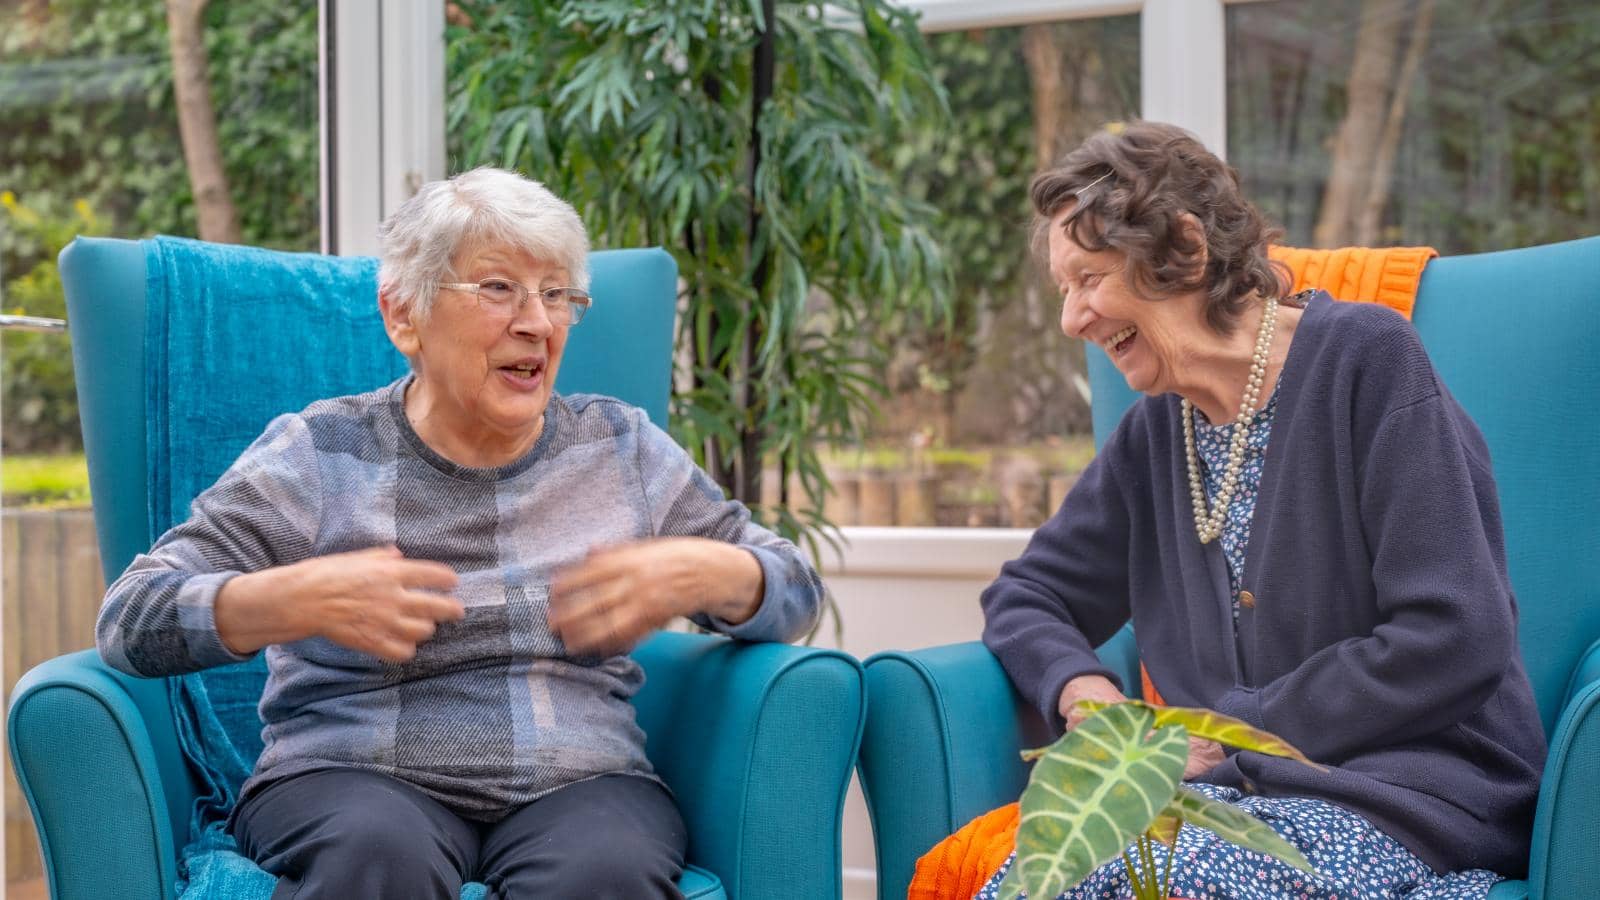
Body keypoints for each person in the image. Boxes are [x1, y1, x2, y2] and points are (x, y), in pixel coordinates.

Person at [95, 167, 825, 900]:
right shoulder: (320, 452)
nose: (536, 322)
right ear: (403, 315)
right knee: (378, 851)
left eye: (556, 294)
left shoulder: (620, 448)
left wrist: (706, 572)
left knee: (605, 871)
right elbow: (130, 620)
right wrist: (287, 598)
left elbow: (796, 591)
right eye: (499, 288)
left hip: (578, 780)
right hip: (352, 776)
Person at [977, 122, 1545, 899]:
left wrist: (1225, 727)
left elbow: (1456, 634)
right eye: (1063, 290)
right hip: (1237, 802)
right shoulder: (1157, 431)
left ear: (1185, 246)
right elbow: (1027, 596)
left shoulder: (1367, 361)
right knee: (1034, 883)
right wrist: (1093, 701)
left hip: (1413, 798)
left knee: (1171, 882)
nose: (1073, 319)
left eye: (1090, 279)